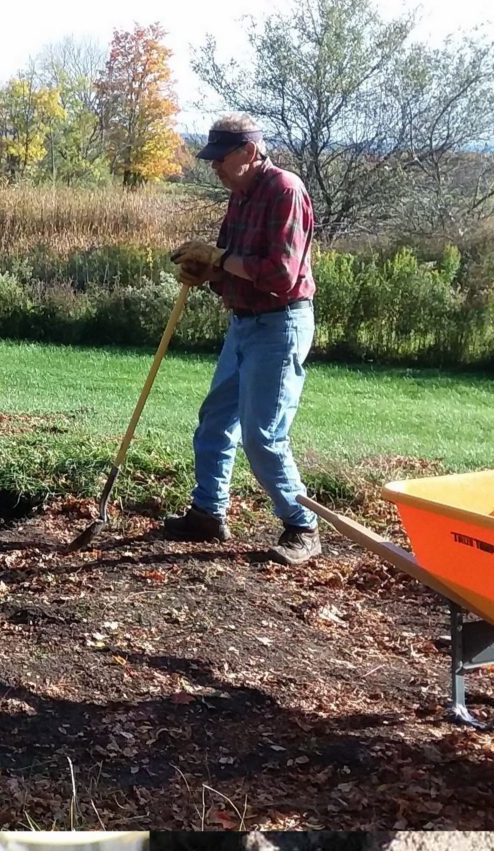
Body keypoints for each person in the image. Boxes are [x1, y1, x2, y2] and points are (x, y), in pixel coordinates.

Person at [160, 114, 322, 567]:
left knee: (262, 436)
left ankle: (302, 526)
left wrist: (221, 259)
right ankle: (207, 514)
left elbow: (280, 275)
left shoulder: (284, 191)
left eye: (221, 159)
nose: (215, 168)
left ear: (249, 152)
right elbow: (227, 263)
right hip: (244, 323)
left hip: (280, 325)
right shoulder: (241, 195)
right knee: (215, 420)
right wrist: (204, 270)